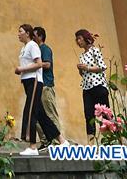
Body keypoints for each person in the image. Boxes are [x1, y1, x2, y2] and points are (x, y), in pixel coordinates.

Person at [15, 24, 67, 156]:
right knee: (41, 114)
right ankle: (62, 141)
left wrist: (22, 69)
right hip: (27, 82)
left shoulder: (33, 45)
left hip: (34, 81)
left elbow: (39, 64)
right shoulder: (24, 48)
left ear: (27, 33)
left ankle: (32, 146)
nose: (18, 34)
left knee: (31, 112)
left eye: (20, 31)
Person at [75, 28, 109, 141]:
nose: (78, 41)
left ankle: (111, 139)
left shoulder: (95, 51)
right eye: (77, 39)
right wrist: (81, 70)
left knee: (105, 113)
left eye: (79, 38)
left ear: (85, 38)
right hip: (87, 87)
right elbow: (83, 74)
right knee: (88, 115)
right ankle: (91, 142)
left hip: (98, 85)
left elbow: (102, 67)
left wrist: (87, 68)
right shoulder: (81, 56)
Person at [33, 27, 62, 148]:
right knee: (37, 116)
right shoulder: (36, 50)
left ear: (40, 36)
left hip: (46, 85)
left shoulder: (45, 49)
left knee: (50, 114)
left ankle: (57, 142)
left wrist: (33, 65)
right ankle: (45, 141)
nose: (33, 38)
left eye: (34, 35)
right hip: (38, 86)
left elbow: (47, 64)